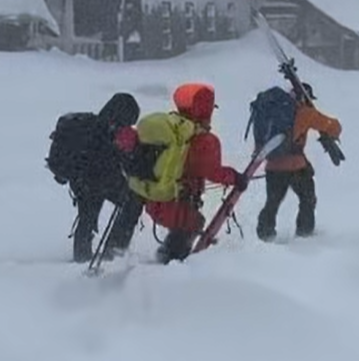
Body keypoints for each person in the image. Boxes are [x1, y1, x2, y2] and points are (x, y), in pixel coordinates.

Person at [121, 82, 247, 264]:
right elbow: (213, 172)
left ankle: (165, 258)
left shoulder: (174, 132)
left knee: (186, 227)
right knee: (192, 225)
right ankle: (173, 269)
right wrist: (236, 178)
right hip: (177, 202)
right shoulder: (204, 140)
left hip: (153, 196)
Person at [45, 92, 142, 263]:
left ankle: (82, 258)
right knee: (130, 204)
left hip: (82, 181)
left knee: (87, 218)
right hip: (100, 180)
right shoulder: (111, 130)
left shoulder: (92, 125)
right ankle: (113, 252)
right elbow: (118, 157)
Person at [254, 80, 342, 242]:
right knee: (307, 199)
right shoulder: (305, 113)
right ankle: (305, 235)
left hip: (273, 166)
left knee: (272, 202)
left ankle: (264, 236)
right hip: (296, 167)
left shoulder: (273, 111)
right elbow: (332, 126)